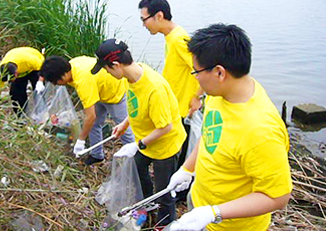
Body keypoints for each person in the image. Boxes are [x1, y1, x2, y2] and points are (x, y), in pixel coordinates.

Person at [166, 23, 293, 231]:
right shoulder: (221, 94)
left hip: (231, 225)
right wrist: (187, 169)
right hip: (201, 202)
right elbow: (210, 134)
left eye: (196, 71)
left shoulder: (260, 131)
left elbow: (278, 196)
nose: (195, 77)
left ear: (219, 73)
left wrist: (215, 213)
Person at [91, 39, 186, 227]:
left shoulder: (154, 88)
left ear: (116, 65)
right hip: (146, 140)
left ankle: (164, 224)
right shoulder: (131, 77)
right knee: (137, 168)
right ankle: (147, 204)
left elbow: (166, 127)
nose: (108, 73)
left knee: (164, 192)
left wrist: (138, 144)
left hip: (165, 147)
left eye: (107, 69)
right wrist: (125, 124)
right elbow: (138, 106)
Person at [138, 0, 203, 166]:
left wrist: (197, 97)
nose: (144, 25)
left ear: (159, 16)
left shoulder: (179, 39)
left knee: (181, 157)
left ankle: (179, 189)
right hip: (174, 105)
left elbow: (203, 69)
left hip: (183, 108)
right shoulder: (170, 37)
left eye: (144, 19)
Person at [39, 55, 134, 165]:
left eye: (55, 82)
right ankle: (97, 155)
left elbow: (91, 116)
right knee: (95, 125)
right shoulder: (71, 66)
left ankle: (135, 158)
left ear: (62, 76)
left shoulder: (83, 80)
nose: (56, 85)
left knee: (123, 128)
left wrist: (81, 140)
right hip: (98, 91)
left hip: (115, 92)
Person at [0, 47, 45, 116]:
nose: (10, 81)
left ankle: (42, 113)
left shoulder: (29, 60)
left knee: (39, 91)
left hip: (34, 67)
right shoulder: (2, 72)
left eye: (11, 79)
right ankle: (22, 116)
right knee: (15, 94)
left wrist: (40, 82)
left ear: (16, 74)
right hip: (19, 67)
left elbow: (44, 69)